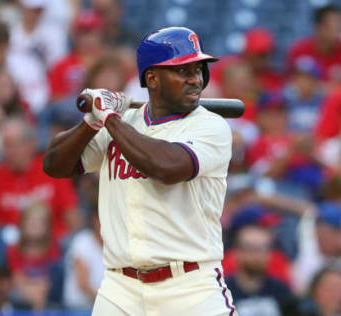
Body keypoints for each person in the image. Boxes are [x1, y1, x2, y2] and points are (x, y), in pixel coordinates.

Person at [43, 27, 237, 315]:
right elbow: (55, 165)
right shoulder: (124, 122)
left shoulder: (211, 126)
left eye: (197, 70)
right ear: (152, 79)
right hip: (121, 289)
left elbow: (166, 166)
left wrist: (110, 119)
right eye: (182, 71)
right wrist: (91, 122)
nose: (195, 79)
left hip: (189, 287)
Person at [0, 118, 80, 238]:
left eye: (14, 145)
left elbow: (71, 215)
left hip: (53, 244)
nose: (9, 152)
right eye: (5, 146)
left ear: (31, 144)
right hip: (9, 248)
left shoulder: (52, 169)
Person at [225, 224, 291, 316]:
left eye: (263, 248)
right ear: (236, 252)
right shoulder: (222, 291)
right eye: (249, 247)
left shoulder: (281, 290)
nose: (256, 254)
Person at [6, 203, 61, 310]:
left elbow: (51, 279)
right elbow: (17, 279)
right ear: (22, 224)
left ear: (48, 226)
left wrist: (39, 289)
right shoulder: (13, 249)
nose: (34, 226)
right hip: (20, 292)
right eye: (30, 222)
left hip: (45, 292)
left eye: (40, 223)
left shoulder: (53, 249)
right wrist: (31, 290)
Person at [287, 4, 341, 84]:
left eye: (340, 28)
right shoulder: (300, 51)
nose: (337, 33)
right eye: (332, 27)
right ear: (318, 27)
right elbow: (294, 85)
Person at [63, 208, 105, 309]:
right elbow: (83, 285)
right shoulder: (82, 241)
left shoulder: (116, 245)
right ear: (95, 220)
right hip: (79, 308)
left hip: (102, 306)